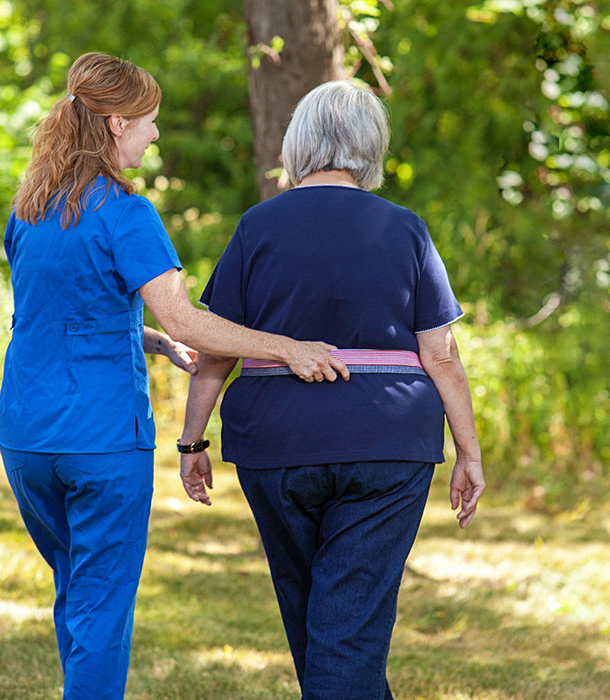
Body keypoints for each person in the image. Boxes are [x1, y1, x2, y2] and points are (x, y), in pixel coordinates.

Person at [0, 52, 348, 700]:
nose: (156, 135)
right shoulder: (127, 214)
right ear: (118, 124)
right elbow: (188, 319)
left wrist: (148, 341)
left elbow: (51, 315)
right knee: (102, 609)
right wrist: (288, 347)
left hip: (24, 437)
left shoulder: (30, 209)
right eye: (150, 122)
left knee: (76, 589)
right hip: (99, 440)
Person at [178, 80, 486, 700]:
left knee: (319, 619)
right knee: (346, 627)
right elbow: (442, 356)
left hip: (276, 445)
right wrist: (468, 452)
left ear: (298, 143)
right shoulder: (405, 229)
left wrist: (191, 444)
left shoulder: (256, 226)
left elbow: (216, 352)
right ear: (371, 146)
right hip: (388, 442)